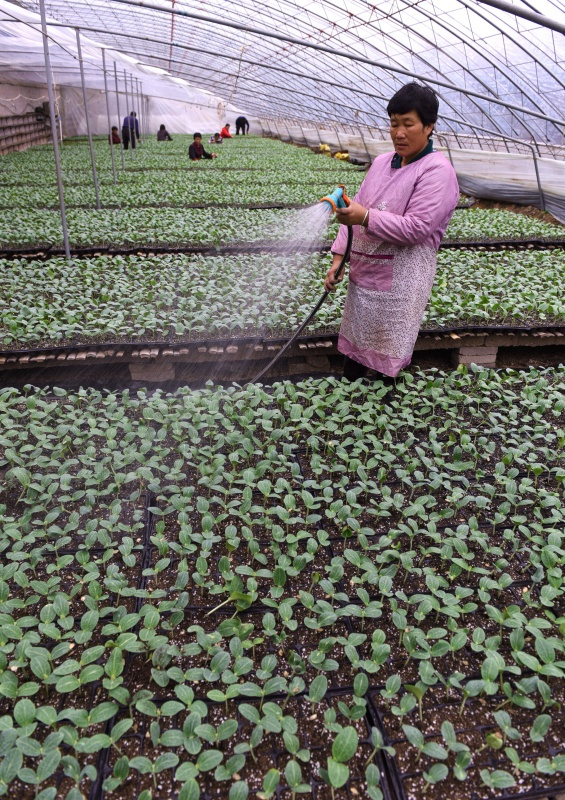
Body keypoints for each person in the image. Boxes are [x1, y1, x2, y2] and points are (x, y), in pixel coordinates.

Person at [324, 82, 459, 383]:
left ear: (429, 127)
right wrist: (337, 260)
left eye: (407, 124)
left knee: (388, 364)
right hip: (364, 277)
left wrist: (366, 216)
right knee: (353, 360)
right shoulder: (382, 162)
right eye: (393, 123)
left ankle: (384, 416)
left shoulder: (437, 171)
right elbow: (355, 210)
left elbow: (417, 228)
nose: (398, 132)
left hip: (401, 285)